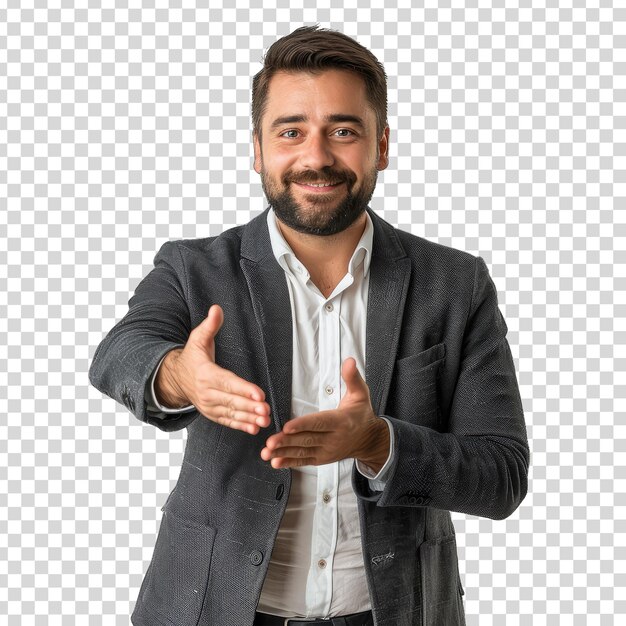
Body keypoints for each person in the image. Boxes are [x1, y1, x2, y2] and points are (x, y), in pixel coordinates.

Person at [89, 25, 529, 626]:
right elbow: (121, 351)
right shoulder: (194, 268)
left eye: (343, 131)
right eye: (291, 132)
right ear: (257, 150)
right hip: (212, 608)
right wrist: (177, 377)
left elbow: (501, 475)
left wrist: (379, 442)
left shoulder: (454, 284)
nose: (316, 157)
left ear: (381, 146)